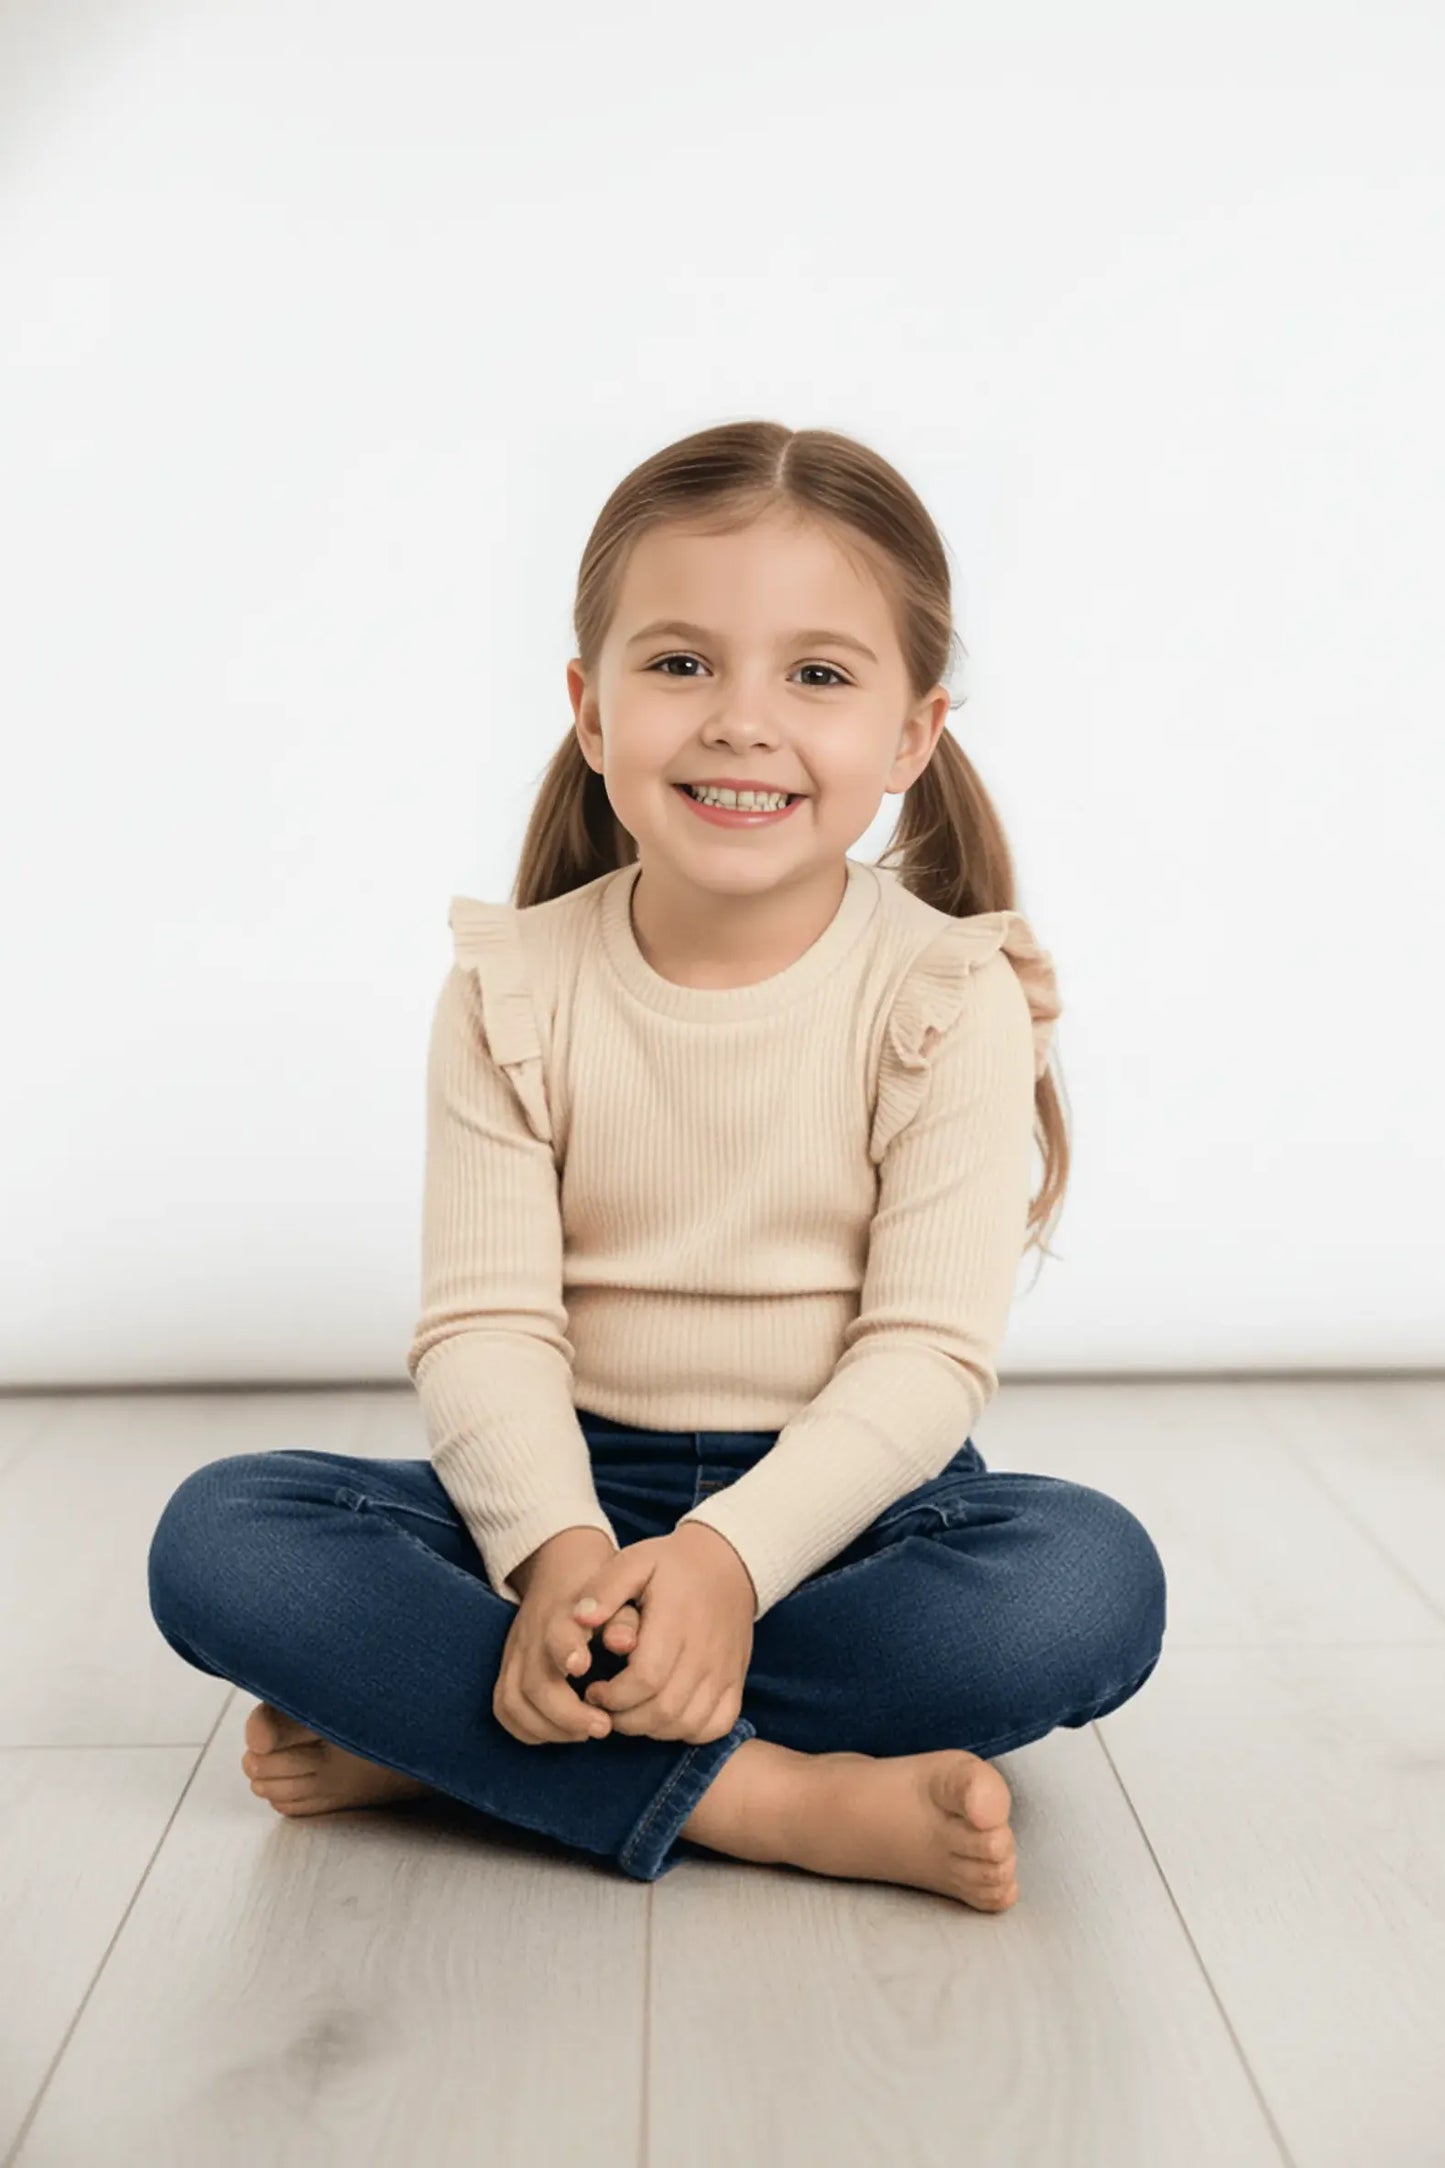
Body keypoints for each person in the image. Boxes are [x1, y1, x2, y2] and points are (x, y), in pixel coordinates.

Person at [147, 419, 1166, 1910]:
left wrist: (728, 1567)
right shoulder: (513, 987)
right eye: (682, 663)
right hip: (560, 1494)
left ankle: (451, 1734)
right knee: (225, 1536)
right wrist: (557, 1555)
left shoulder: (950, 995)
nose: (741, 722)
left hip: (841, 1511)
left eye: (817, 676)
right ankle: (764, 1797)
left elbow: (924, 1361)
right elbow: (487, 1327)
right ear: (590, 707)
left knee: (1082, 1583)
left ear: (911, 735)